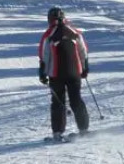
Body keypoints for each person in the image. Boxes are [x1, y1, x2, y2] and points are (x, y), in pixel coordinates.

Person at [38, 7, 91, 141]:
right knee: (76, 99)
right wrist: (85, 68)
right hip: (74, 72)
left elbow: (44, 55)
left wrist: (43, 73)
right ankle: (84, 129)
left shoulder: (48, 34)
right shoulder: (74, 32)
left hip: (56, 74)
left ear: (50, 19)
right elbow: (83, 51)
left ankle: (57, 133)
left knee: (58, 102)